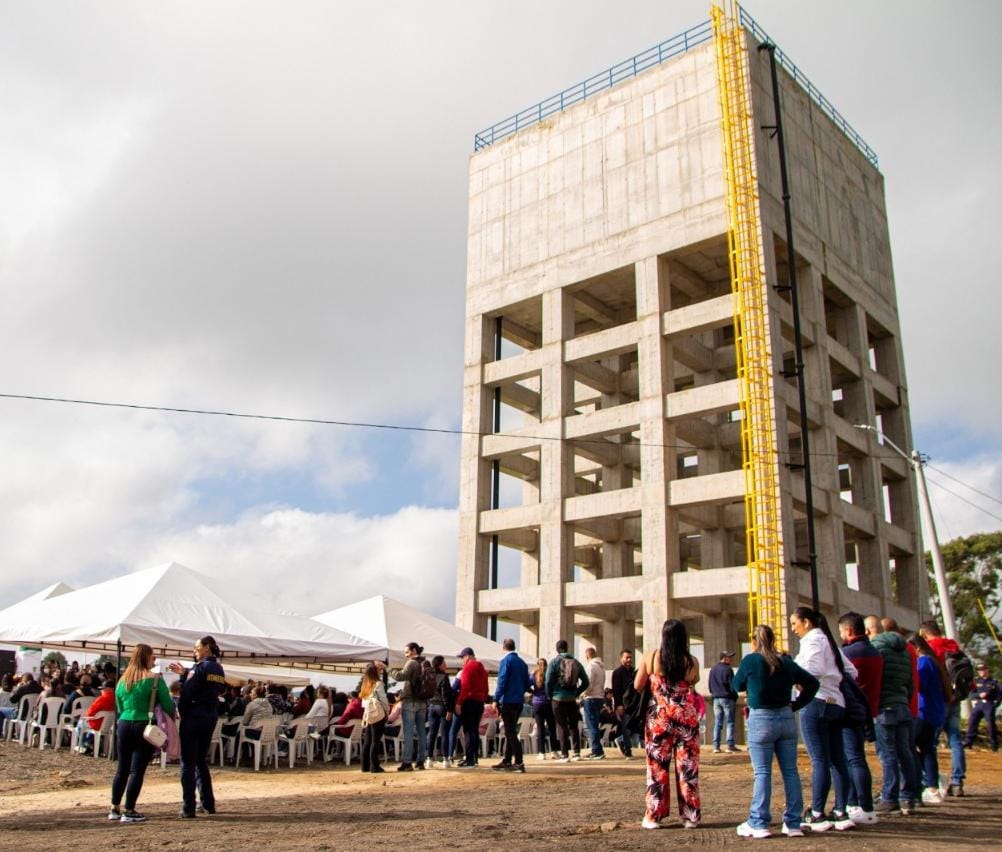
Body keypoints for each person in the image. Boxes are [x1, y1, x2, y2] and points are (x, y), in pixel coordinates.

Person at [733, 624, 820, 839]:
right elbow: (812, 683)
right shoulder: (786, 662)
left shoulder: (751, 661)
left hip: (761, 719)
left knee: (762, 772)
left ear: (754, 642)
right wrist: (797, 704)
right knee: (790, 772)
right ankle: (793, 823)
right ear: (773, 640)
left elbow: (736, 685)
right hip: (786, 718)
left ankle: (759, 821)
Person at [790, 607, 857, 832]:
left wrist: (799, 680)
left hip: (816, 702)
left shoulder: (812, 641)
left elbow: (813, 669)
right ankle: (840, 810)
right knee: (838, 759)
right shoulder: (830, 643)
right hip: (836, 703)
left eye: (794, 623)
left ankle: (817, 812)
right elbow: (852, 671)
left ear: (806, 623)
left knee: (819, 760)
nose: (793, 629)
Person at [634, 618, 701, 830]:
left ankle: (654, 816)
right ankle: (690, 816)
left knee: (657, 768)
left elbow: (638, 685)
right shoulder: (691, 661)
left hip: (659, 719)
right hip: (686, 719)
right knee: (687, 768)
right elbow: (693, 683)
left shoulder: (652, 657)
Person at [110, 644, 175, 823]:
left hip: (124, 722)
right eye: (152, 657)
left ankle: (114, 807)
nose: (153, 660)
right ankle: (129, 809)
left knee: (122, 768)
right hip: (144, 724)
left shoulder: (123, 680)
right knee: (137, 770)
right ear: (147, 658)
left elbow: (119, 705)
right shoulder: (154, 679)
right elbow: (167, 703)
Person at [169, 635, 226, 819]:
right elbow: (210, 687)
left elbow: (188, 692)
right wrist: (186, 674)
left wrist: (181, 710)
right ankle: (208, 803)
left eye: (196, 647)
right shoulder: (218, 668)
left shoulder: (199, 667)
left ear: (207, 647)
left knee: (188, 762)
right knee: (201, 760)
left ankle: (188, 807)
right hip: (210, 716)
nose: (194, 651)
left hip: (194, 716)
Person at [837, 611, 883, 825]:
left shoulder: (847, 654)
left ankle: (858, 804)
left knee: (852, 759)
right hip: (868, 710)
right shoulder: (875, 652)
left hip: (849, 710)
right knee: (857, 758)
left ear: (848, 630)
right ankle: (862, 804)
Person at [870, 618, 919, 815]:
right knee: (905, 752)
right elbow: (910, 682)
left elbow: (874, 679)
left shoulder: (877, 649)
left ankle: (889, 797)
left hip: (885, 707)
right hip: (902, 705)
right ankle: (908, 796)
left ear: (870, 631)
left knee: (887, 754)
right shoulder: (905, 650)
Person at [918, 620, 966, 796]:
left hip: (938, 701)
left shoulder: (930, 650)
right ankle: (957, 781)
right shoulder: (953, 646)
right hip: (956, 698)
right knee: (955, 740)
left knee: (929, 743)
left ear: (924, 633)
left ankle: (932, 781)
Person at [907, 633, 950, 805]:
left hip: (923, 711)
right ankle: (932, 785)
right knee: (926, 749)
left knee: (909, 747)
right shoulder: (933, 662)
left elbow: (919, 685)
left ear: (916, 648)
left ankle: (923, 784)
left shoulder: (923, 662)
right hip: (933, 711)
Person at [389, 642, 430, 771]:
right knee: (422, 732)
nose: (405, 654)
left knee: (408, 733)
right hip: (422, 702)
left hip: (410, 701)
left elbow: (401, 676)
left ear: (413, 651)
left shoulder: (411, 663)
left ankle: (407, 762)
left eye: (406, 652)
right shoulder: (425, 662)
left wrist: (388, 669)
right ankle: (420, 761)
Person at [492, 638, 531, 773]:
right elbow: (527, 684)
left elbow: (502, 681)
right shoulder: (522, 663)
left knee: (510, 732)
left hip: (508, 700)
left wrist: (496, 699)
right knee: (511, 731)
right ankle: (508, 760)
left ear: (504, 647)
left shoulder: (505, 661)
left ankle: (519, 762)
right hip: (519, 701)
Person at [545, 639, 588, 763]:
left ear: (557, 649)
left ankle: (564, 754)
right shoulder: (576, 662)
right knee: (573, 725)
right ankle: (577, 753)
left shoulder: (554, 662)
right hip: (572, 699)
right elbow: (586, 682)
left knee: (561, 725)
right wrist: (577, 692)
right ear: (567, 648)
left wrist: (550, 695)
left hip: (557, 698)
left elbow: (548, 681)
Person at [455, 647, 489, 768]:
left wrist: (459, 703)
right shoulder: (482, 668)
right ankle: (474, 757)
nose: (462, 661)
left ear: (468, 656)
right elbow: (486, 689)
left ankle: (469, 760)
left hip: (469, 702)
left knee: (468, 731)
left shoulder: (468, 668)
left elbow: (465, 688)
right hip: (480, 702)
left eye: (462, 658)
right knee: (474, 730)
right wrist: (483, 699)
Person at [359, 662, 389, 773]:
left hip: (367, 713)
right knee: (375, 741)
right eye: (378, 669)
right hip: (377, 713)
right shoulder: (378, 683)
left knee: (368, 740)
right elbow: (383, 699)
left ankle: (364, 765)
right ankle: (374, 766)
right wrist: (387, 711)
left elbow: (363, 702)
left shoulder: (365, 684)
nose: (380, 671)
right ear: (375, 671)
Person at [425, 655, 454, 767]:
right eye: (444, 663)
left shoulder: (429, 676)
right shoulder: (444, 677)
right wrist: (449, 710)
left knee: (432, 733)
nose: (446, 665)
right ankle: (445, 759)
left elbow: (427, 693)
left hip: (431, 706)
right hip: (442, 706)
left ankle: (429, 759)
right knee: (444, 733)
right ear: (440, 665)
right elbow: (445, 695)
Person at [964, 662, 1000, 751]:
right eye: (979, 670)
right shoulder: (976, 681)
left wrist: (996, 704)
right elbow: (971, 693)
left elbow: (1000, 693)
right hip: (979, 704)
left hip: (989, 704)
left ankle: (994, 745)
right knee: (972, 721)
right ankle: (968, 741)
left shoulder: (994, 682)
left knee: (991, 724)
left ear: (987, 670)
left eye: (983, 669)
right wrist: (979, 695)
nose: (981, 672)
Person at [528, 658, 559, 759]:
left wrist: (534, 693)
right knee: (551, 727)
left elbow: (526, 685)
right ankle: (554, 751)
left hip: (537, 703)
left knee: (540, 728)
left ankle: (542, 753)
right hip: (548, 702)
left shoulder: (534, 674)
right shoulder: (550, 674)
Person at [708, 650, 738, 754]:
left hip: (716, 698)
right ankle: (730, 745)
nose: (731, 659)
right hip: (727, 698)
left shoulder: (713, 669)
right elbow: (732, 686)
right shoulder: (728, 669)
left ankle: (716, 746)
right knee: (730, 722)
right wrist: (735, 696)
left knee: (718, 722)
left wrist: (714, 694)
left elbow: (710, 685)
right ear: (724, 658)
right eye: (729, 657)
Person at [581, 646, 606, 760]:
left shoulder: (591, 666)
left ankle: (596, 750)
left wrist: (583, 694)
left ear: (587, 656)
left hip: (591, 698)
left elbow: (588, 683)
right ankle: (598, 749)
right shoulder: (601, 667)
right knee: (595, 724)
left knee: (591, 725)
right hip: (599, 697)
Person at [611, 649, 636, 758]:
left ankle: (620, 740)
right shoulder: (617, 673)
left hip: (634, 704)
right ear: (621, 658)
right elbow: (616, 690)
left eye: (630, 657)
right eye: (627, 657)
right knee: (626, 727)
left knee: (634, 727)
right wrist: (618, 705)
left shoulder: (634, 672)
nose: (629, 660)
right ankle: (628, 751)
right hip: (624, 704)